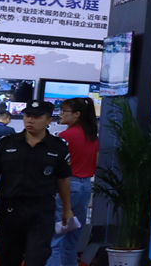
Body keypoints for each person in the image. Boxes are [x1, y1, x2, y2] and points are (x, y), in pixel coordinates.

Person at [0, 100, 74, 266]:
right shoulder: (7, 143)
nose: (30, 120)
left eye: (36, 117)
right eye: (27, 116)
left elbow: (63, 180)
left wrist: (67, 209)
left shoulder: (57, 146)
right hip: (10, 209)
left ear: (48, 120)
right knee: (8, 259)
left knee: (37, 257)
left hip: (41, 210)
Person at [48, 98, 98, 266]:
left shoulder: (65, 137)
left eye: (64, 111)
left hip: (66, 186)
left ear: (77, 114)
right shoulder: (92, 136)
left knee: (54, 238)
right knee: (71, 240)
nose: (60, 114)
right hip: (85, 187)